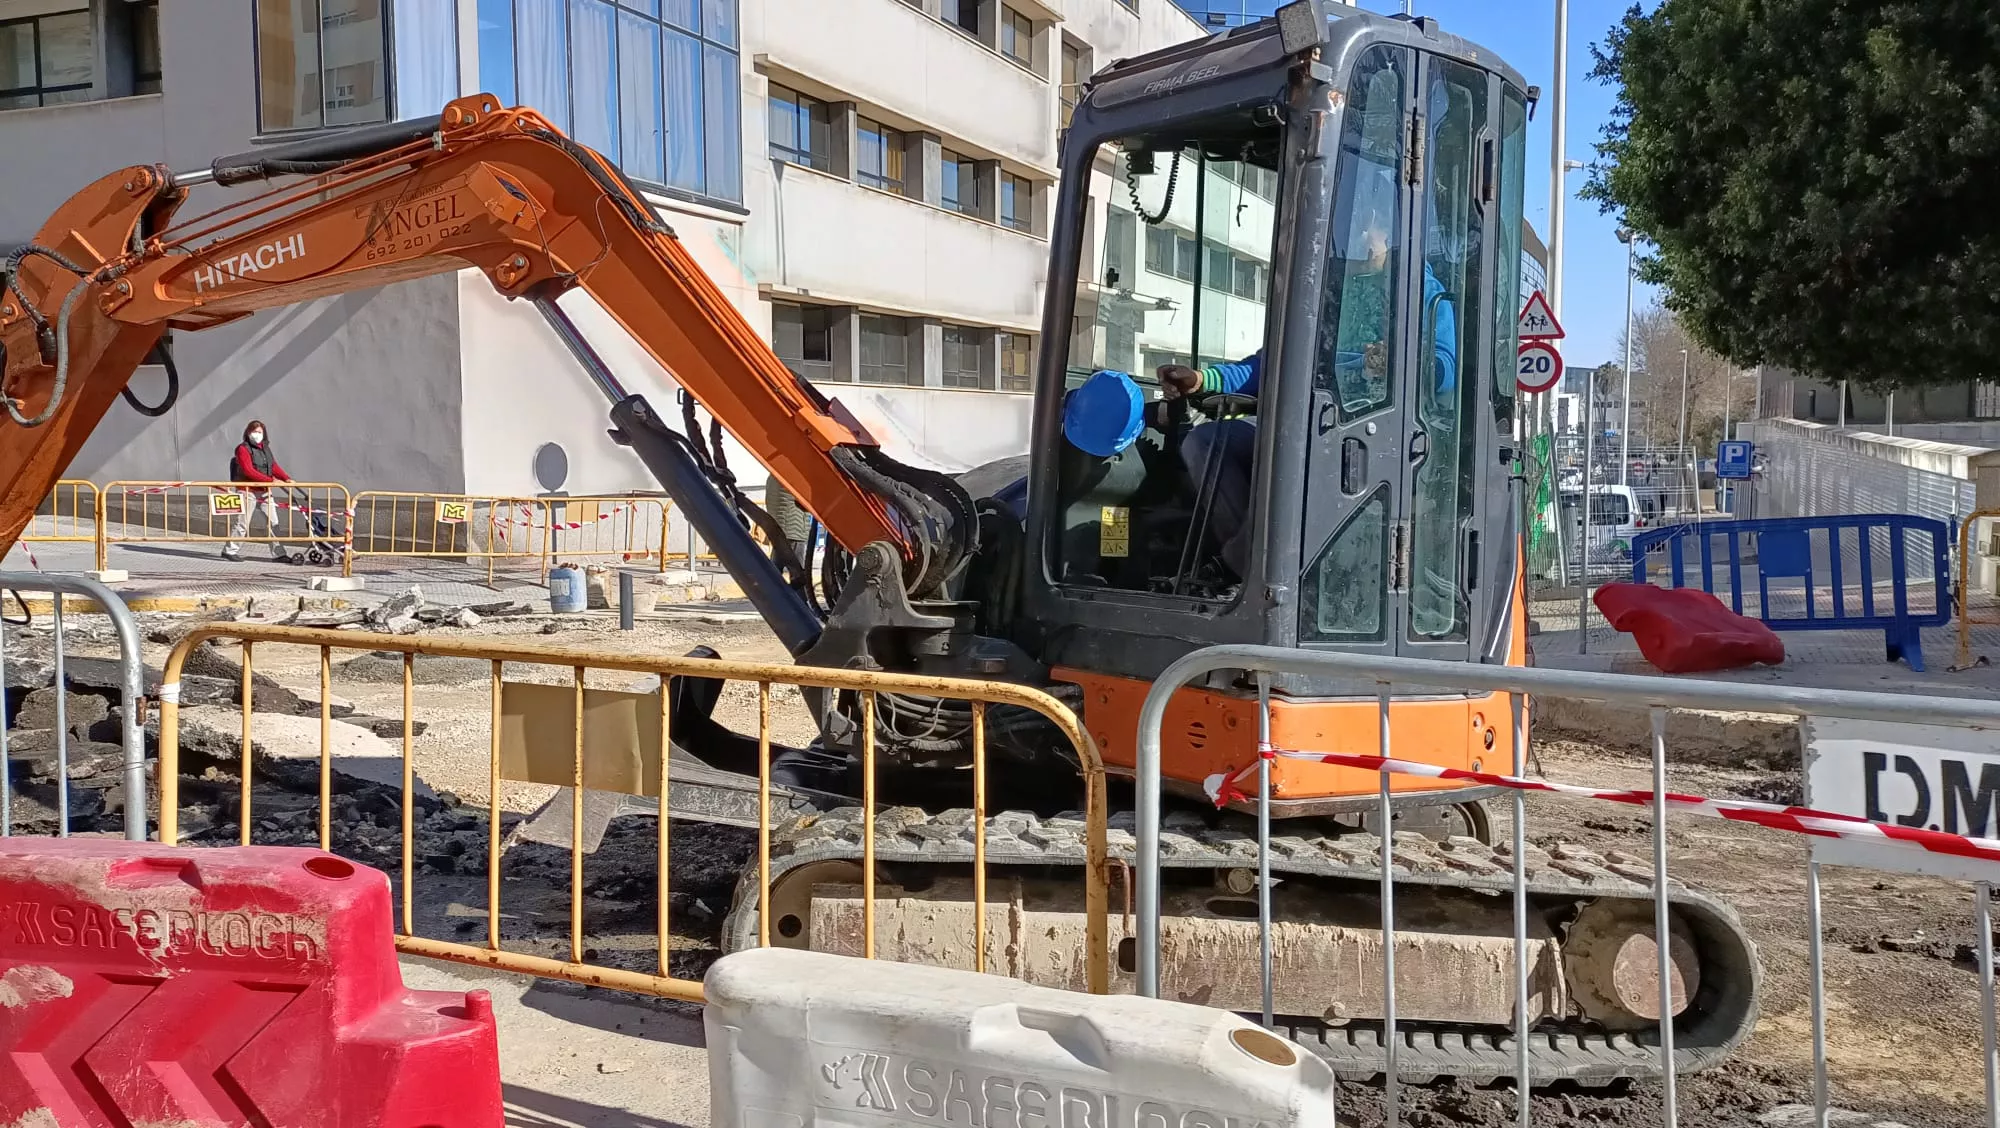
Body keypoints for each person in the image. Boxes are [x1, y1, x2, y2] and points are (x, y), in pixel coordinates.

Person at [1157, 216, 1458, 581]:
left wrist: (1397, 364)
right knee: (1204, 442)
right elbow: (1271, 365)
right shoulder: (1326, 294)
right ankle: (1251, 565)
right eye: (1355, 225)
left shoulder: (1423, 296)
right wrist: (1203, 379)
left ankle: (1238, 566)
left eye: (1368, 225)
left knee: (1294, 447)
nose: (1359, 235)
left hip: (1374, 431)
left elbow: (1444, 369)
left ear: (1393, 232)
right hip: (1306, 426)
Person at [223, 419, 294, 562]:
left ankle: (279, 553)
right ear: (248, 433)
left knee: (273, 521)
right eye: (254, 431)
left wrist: (286, 478)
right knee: (242, 522)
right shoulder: (242, 449)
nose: (257, 434)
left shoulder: (265, 449)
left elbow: (273, 466)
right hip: (247, 490)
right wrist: (272, 481)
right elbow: (248, 471)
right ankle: (230, 550)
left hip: (264, 491)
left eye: (260, 432)